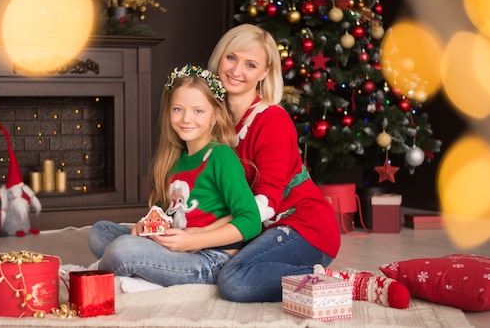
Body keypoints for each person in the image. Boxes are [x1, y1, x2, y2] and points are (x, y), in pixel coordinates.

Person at [207, 24, 409, 309]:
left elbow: (266, 202)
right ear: (219, 58)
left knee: (234, 280)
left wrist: (204, 234)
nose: (236, 70)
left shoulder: (271, 120)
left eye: (250, 64)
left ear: (264, 73)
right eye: (231, 58)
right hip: (259, 229)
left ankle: (344, 282)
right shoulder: (212, 120)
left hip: (304, 227)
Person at [86, 64, 262, 287]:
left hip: (209, 259)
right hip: (175, 241)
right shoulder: (176, 158)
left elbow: (251, 221)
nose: (186, 119)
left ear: (215, 115)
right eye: (178, 109)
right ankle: (142, 269)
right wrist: (144, 225)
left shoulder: (220, 156)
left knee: (123, 249)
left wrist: (194, 240)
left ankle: (121, 273)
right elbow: (163, 210)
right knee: (100, 231)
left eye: (198, 111)